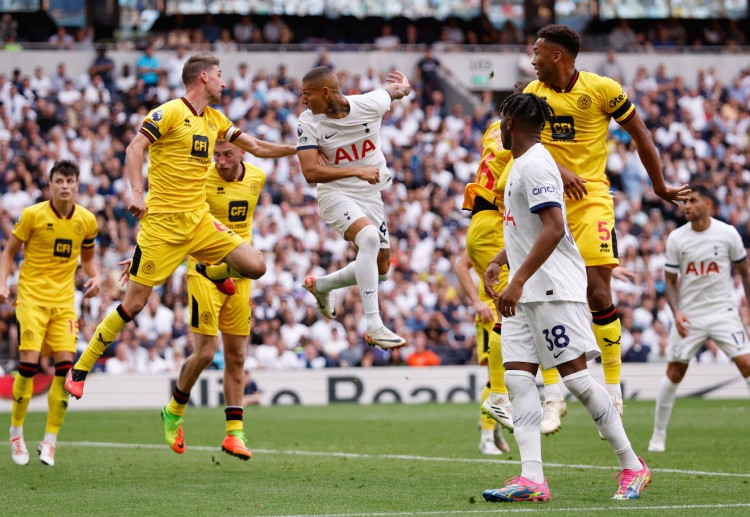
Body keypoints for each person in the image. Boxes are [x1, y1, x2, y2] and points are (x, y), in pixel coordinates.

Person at [64, 54, 295, 418]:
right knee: (134, 304)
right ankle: (81, 367)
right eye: (219, 75)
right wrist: (137, 193)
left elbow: (260, 148)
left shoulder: (217, 120)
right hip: (162, 227)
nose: (224, 81)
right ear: (203, 77)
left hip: (200, 222)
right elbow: (134, 148)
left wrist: (302, 150)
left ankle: (211, 271)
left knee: (255, 266)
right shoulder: (170, 112)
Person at [481, 93, 651, 503]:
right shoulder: (522, 164)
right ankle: (532, 479)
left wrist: (517, 280)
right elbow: (527, 227)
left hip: (552, 288)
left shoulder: (537, 163)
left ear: (509, 124)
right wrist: (501, 261)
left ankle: (633, 465)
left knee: (575, 379)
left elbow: (555, 227)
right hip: (525, 292)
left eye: (501, 123)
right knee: (519, 378)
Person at [523, 24, 689, 432]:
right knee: (540, 295)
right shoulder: (532, 94)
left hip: (591, 199)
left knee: (598, 290)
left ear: (558, 56)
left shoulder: (602, 89)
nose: (532, 57)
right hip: (544, 201)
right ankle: (553, 394)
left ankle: (612, 387)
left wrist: (659, 185)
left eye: (538, 51)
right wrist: (559, 170)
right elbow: (522, 144)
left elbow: (641, 134)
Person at [119, 140, 266, 458]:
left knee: (237, 356)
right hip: (203, 271)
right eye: (217, 155)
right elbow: (168, 213)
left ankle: (234, 434)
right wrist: (142, 249)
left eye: (228, 154)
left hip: (239, 277)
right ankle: (174, 409)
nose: (221, 161)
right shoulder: (201, 180)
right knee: (204, 353)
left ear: (242, 153)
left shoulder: (257, 177)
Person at [296, 66, 410, 350]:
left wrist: (405, 86)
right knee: (368, 238)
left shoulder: (369, 104)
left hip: (371, 195)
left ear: (325, 92)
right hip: (335, 193)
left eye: (306, 95)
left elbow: (395, 91)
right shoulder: (309, 121)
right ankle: (374, 325)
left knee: (382, 271)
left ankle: (321, 285)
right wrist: (356, 170)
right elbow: (310, 172)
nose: (303, 101)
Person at [0, 160, 100, 467]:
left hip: (64, 303)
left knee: (66, 370)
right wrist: (3, 283)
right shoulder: (33, 215)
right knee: (28, 366)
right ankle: (16, 433)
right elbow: (8, 252)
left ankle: (50, 441)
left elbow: (88, 258)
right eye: (60, 180)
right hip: (31, 299)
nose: (65, 186)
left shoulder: (87, 220)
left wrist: (94, 276)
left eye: (70, 180)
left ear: (77, 184)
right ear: (51, 184)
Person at [648, 186, 750, 452]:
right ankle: (658, 435)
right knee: (675, 371)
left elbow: (745, 272)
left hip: (722, 313)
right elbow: (670, 282)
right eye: (685, 202)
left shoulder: (727, 234)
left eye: (693, 201)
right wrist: (677, 312)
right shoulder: (676, 238)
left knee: (747, 364)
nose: (686, 205)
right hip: (689, 316)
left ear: (708, 204)